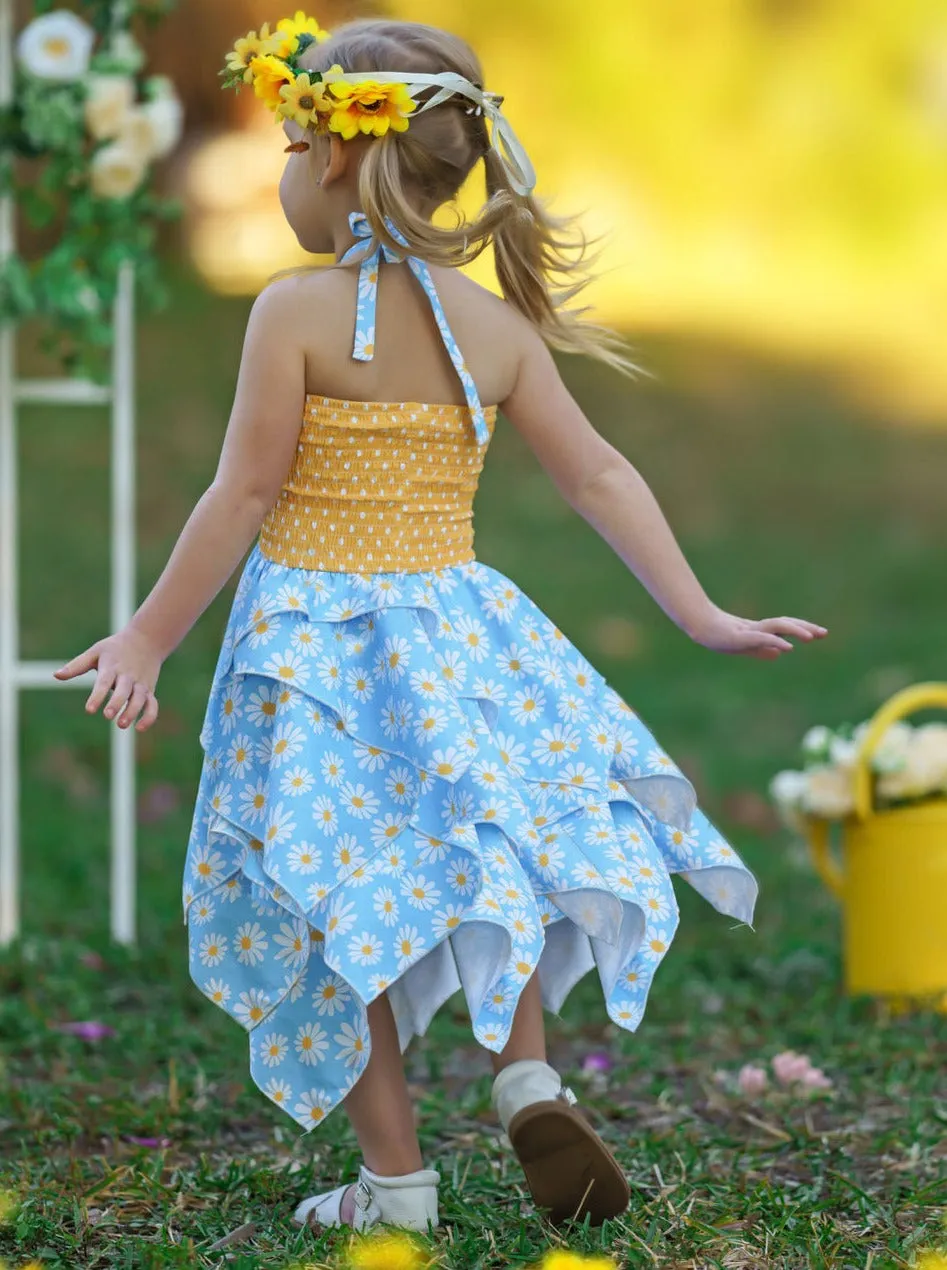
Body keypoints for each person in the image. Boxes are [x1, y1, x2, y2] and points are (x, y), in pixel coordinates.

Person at [55, 11, 828, 1237]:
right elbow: (600, 478)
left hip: (317, 652)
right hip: (461, 639)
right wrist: (701, 613)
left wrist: (148, 633)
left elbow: (244, 492)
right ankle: (525, 1075)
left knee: (334, 897)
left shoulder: (295, 312)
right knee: (477, 855)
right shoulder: (496, 329)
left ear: (330, 159)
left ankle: (398, 1183)